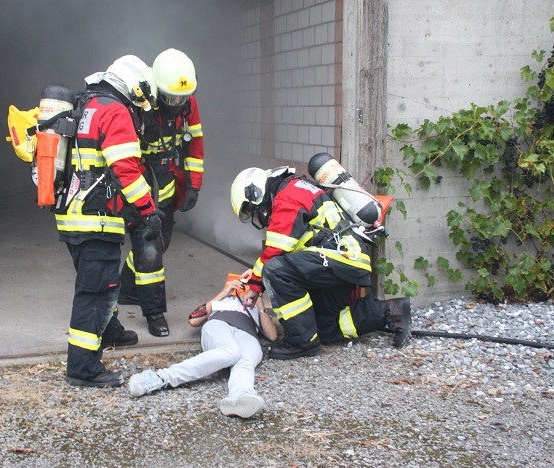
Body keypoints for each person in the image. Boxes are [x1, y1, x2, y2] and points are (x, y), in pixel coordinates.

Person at [229, 162, 412, 360]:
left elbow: (276, 250)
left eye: (252, 210)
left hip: (339, 258)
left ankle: (301, 343)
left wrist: (256, 286)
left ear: (255, 194)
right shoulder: (295, 188)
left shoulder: (287, 196)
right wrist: (255, 275)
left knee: (275, 271)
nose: (258, 216)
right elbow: (292, 247)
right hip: (343, 261)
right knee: (324, 328)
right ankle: (390, 311)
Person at [57, 55, 162, 388]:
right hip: (96, 218)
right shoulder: (115, 110)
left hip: (72, 214)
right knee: (95, 292)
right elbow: (127, 169)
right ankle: (83, 368)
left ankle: (111, 331)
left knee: (100, 283)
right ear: (133, 86)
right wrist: (148, 210)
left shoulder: (84, 103)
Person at [118, 48, 205, 337]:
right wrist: (139, 197)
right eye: (171, 98)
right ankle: (154, 313)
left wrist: (193, 185)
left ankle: (128, 289)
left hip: (166, 183)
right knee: (150, 247)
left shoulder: (187, 101)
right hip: (140, 182)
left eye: (182, 98)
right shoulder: (140, 101)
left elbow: (195, 143)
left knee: (161, 241)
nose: (177, 103)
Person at [128, 272, 278, 419]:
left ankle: (240, 397)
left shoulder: (256, 310)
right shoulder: (223, 302)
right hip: (220, 325)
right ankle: (160, 377)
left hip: (247, 333)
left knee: (246, 361)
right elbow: (193, 320)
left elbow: (272, 335)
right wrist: (225, 292)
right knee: (230, 352)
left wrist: (259, 302)